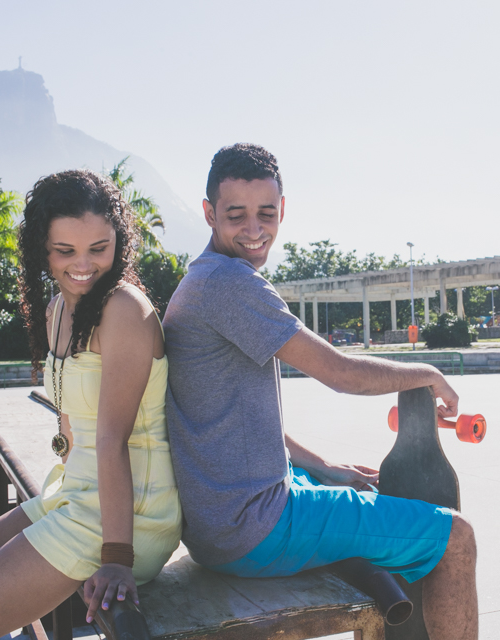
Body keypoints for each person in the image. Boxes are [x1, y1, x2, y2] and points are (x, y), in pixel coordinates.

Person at [164, 144, 478, 640]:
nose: (253, 229)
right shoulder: (231, 284)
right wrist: (427, 374)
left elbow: (232, 421)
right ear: (208, 213)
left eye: (266, 213)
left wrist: (323, 466)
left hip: (221, 526)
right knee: (456, 537)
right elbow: (340, 373)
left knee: (370, 488)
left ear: (282, 210)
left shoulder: (199, 281)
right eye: (235, 215)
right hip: (256, 528)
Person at [0, 169, 182, 639]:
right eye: (65, 250)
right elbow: (72, 427)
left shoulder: (125, 310)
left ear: (120, 242)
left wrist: (116, 560)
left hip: (128, 519)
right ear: (41, 250)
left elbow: (111, 440)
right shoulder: (57, 311)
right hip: (72, 495)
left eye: (99, 248)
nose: (84, 265)